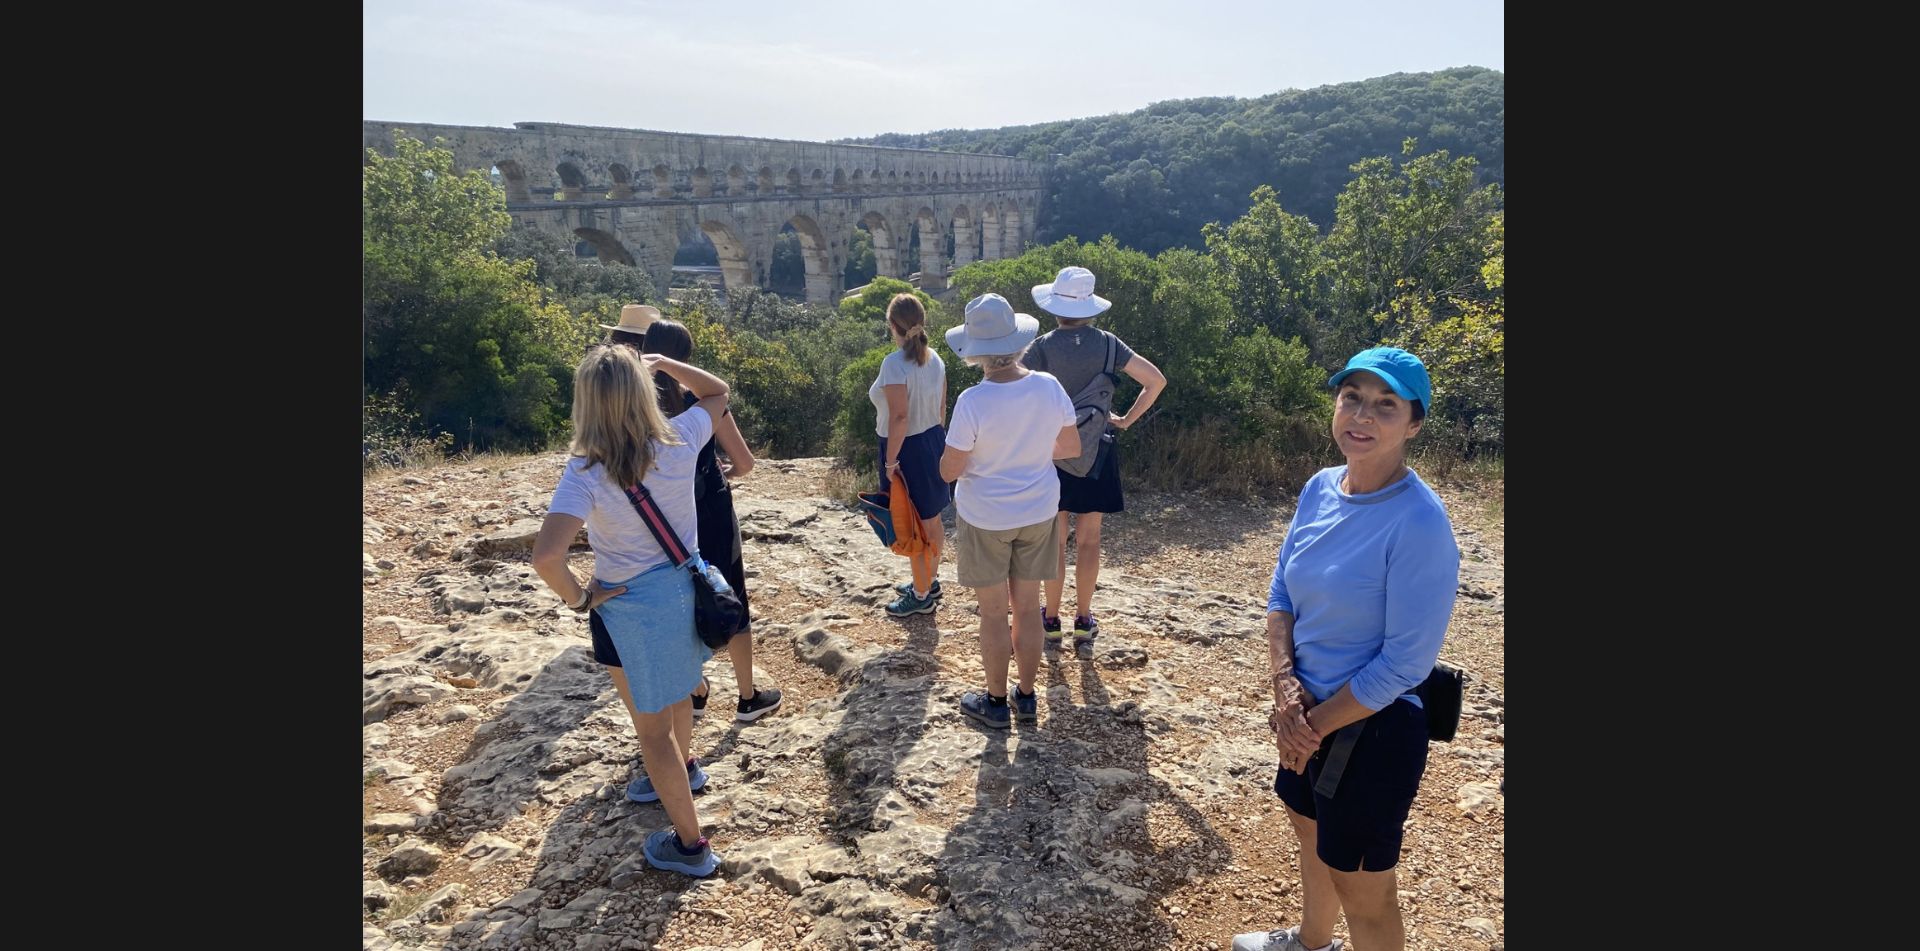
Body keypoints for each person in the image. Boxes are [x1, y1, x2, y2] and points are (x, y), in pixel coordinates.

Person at [1232, 347, 1461, 951]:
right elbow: (1283, 589)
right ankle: (1311, 942)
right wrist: (1286, 688)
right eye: (1352, 397)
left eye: (1386, 405)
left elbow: (1406, 663)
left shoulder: (1419, 523)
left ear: (1413, 424)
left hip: (1372, 730)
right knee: (1309, 834)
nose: (1362, 415)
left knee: (1366, 890)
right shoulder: (1320, 488)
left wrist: (1310, 726)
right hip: (1303, 710)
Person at [529, 344, 731, 877]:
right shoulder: (681, 439)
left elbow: (547, 557)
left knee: (651, 733)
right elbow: (717, 392)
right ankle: (686, 769)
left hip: (628, 609)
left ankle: (691, 846)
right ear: (644, 393)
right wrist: (665, 365)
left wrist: (579, 599)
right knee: (681, 691)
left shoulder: (584, 472)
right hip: (686, 591)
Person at [622, 318, 783, 723]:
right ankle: (747, 697)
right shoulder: (703, 405)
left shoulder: (634, 407)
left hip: (661, 519)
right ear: (686, 358)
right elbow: (745, 462)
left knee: (679, 597)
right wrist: (723, 474)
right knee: (729, 595)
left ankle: (693, 689)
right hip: (709, 510)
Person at [938, 293, 1080, 729]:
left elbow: (949, 470)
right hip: (1038, 510)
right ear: (1018, 342)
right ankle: (1028, 696)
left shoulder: (973, 402)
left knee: (994, 613)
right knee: (1028, 606)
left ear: (976, 351)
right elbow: (1070, 447)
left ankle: (996, 703)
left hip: (985, 518)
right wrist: (1032, 451)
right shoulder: (1048, 387)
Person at [1021, 265, 1166, 654]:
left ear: (1055, 306)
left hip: (1052, 452)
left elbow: (1017, 388)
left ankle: (1050, 621)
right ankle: (1083, 621)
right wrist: (1125, 421)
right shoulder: (1108, 344)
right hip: (1098, 449)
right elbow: (1156, 381)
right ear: (1090, 307)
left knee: (1054, 538)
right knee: (1089, 540)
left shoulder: (1043, 347)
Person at [867, 292, 951, 617]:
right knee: (931, 521)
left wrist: (890, 461)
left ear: (892, 325)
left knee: (913, 526)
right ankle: (929, 580)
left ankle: (920, 596)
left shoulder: (893, 364)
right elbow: (942, 407)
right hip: (932, 440)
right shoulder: (936, 359)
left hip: (905, 449)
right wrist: (935, 441)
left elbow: (899, 417)